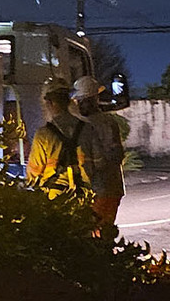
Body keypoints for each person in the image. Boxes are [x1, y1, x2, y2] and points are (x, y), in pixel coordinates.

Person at [26, 77, 101, 223]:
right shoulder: (87, 129)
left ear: (50, 102)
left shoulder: (43, 134)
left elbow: (33, 175)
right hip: (83, 198)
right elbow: (99, 164)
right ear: (68, 101)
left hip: (55, 200)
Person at [73, 75, 126, 238]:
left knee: (92, 234)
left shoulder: (80, 125)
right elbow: (118, 155)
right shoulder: (109, 122)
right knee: (106, 232)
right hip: (113, 187)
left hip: (95, 190)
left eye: (80, 101)